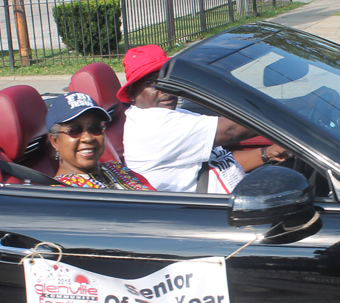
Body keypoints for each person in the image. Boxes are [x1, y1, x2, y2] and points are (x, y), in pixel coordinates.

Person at [116, 45, 293, 193]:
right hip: (214, 214)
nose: (166, 89)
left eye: (167, 80)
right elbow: (231, 130)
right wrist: (292, 110)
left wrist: (267, 154)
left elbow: (220, 163)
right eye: (153, 83)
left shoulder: (166, 114)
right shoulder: (152, 124)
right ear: (132, 93)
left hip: (232, 195)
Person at [46, 92, 155, 190]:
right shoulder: (62, 195)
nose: (88, 138)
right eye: (74, 130)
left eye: (95, 128)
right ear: (55, 141)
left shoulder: (117, 168)